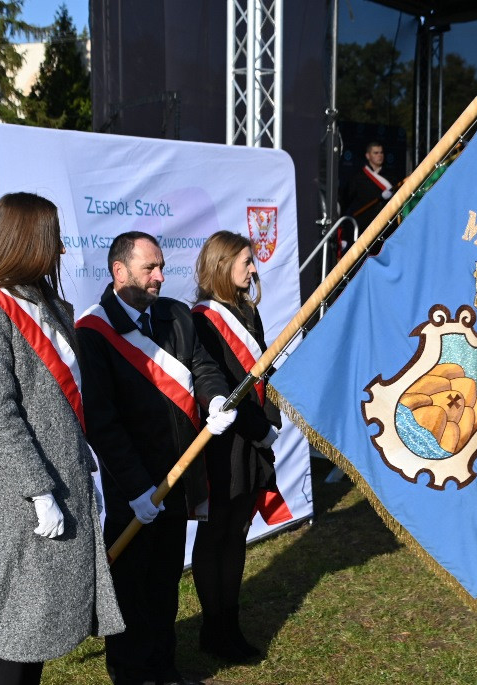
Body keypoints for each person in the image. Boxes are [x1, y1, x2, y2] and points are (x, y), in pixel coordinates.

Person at [0, 192, 124, 685]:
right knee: (17, 640)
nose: (62, 250)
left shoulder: (45, 305)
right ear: (26, 241)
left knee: (40, 632)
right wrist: (38, 489)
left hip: (56, 485)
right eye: (53, 239)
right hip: (20, 502)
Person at [76, 231, 237, 685]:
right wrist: (136, 487)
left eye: (161, 267)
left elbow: (202, 366)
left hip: (178, 472)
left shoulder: (175, 315)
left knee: (165, 581)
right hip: (135, 486)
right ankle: (130, 673)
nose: (160, 277)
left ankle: (163, 669)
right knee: (131, 585)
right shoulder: (94, 332)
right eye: (150, 268)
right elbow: (102, 422)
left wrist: (217, 398)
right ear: (119, 272)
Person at [190, 231, 291, 663]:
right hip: (224, 445)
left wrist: (270, 425)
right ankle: (213, 630)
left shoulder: (248, 311)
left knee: (237, 534)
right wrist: (260, 428)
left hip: (252, 441)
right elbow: (224, 386)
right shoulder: (202, 319)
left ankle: (230, 624)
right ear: (221, 264)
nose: (253, 269)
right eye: (246, 261)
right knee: (217, 535)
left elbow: (260, 378)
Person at [338, 140, 394, 256]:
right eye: (376, 153)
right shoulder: (358, 178)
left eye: (381, 153)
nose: (380, 155)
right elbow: (346, 201)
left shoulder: (391, 177)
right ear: (368, 155)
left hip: (385, 226)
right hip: (364, 227)